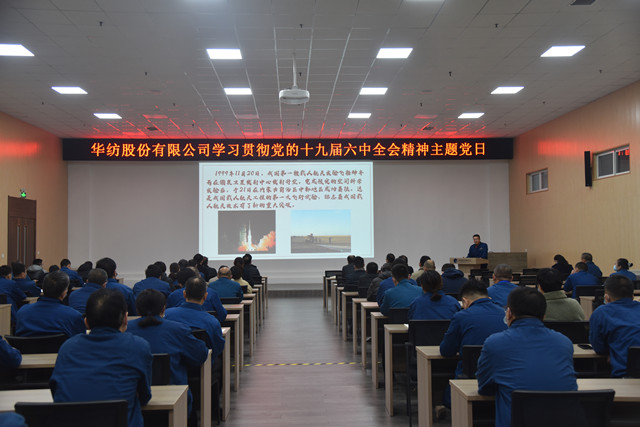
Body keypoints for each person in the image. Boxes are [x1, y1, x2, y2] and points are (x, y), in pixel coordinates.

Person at [50, 288, 152, 427]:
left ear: (86, 321)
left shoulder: (68, 348)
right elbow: (144, 397)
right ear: (125, 319)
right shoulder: (138, 346)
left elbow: (56, 392)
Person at [476, 287, 577, 427]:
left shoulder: (495, 343)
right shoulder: (564, 342)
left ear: (509, 313)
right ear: (544, 316)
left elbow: (484, 387)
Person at [127, 289, 209, 415]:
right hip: (175, 399)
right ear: (163, 309)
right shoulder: (178, 329)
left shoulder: (125, 331)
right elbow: (200, 355)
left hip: (133, 400)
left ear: (137, 310)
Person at [439, 279, 507, 407]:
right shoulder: (504, 314)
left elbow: (446, 351)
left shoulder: (461, 316)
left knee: (446, 396)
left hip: (468, 378)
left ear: (465, 301)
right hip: (501, 379)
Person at [589, 275, 640, 377]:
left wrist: (613, 352)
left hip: (625, 376)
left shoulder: (601, 313)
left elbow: (599, 348)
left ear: (606, 297)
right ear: (632, 296)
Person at [165, 277, 225, 358]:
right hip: (202, 362)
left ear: (184, 294)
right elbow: (217, 348)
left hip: (173, 362)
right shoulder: (212, 322)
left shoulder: (167, 315)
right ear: (205, 296)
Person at [15, 271, 85, 337]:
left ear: (43, 288)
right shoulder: (74, 316)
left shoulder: (22, 313)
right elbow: (80, 342)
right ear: (64, 292)